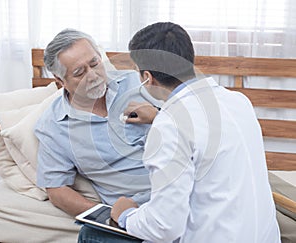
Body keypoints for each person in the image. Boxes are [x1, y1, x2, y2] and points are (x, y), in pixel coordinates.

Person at [108, 22, 281, 243]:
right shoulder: (238, 101)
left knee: (91, 235)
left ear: (147, 78)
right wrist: (160, 115)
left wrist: (125, 215)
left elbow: (165, 227)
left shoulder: (169, 127)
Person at [34, 29, 152, 222]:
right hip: (134, 212)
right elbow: (57, 189)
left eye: (95, 63)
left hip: (184, 191)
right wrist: (109, 218)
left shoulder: (138, 82)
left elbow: (193, 128)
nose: (93, 75)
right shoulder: (53, 126)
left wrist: (158, 116)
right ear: (59, 81)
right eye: (79, 73)